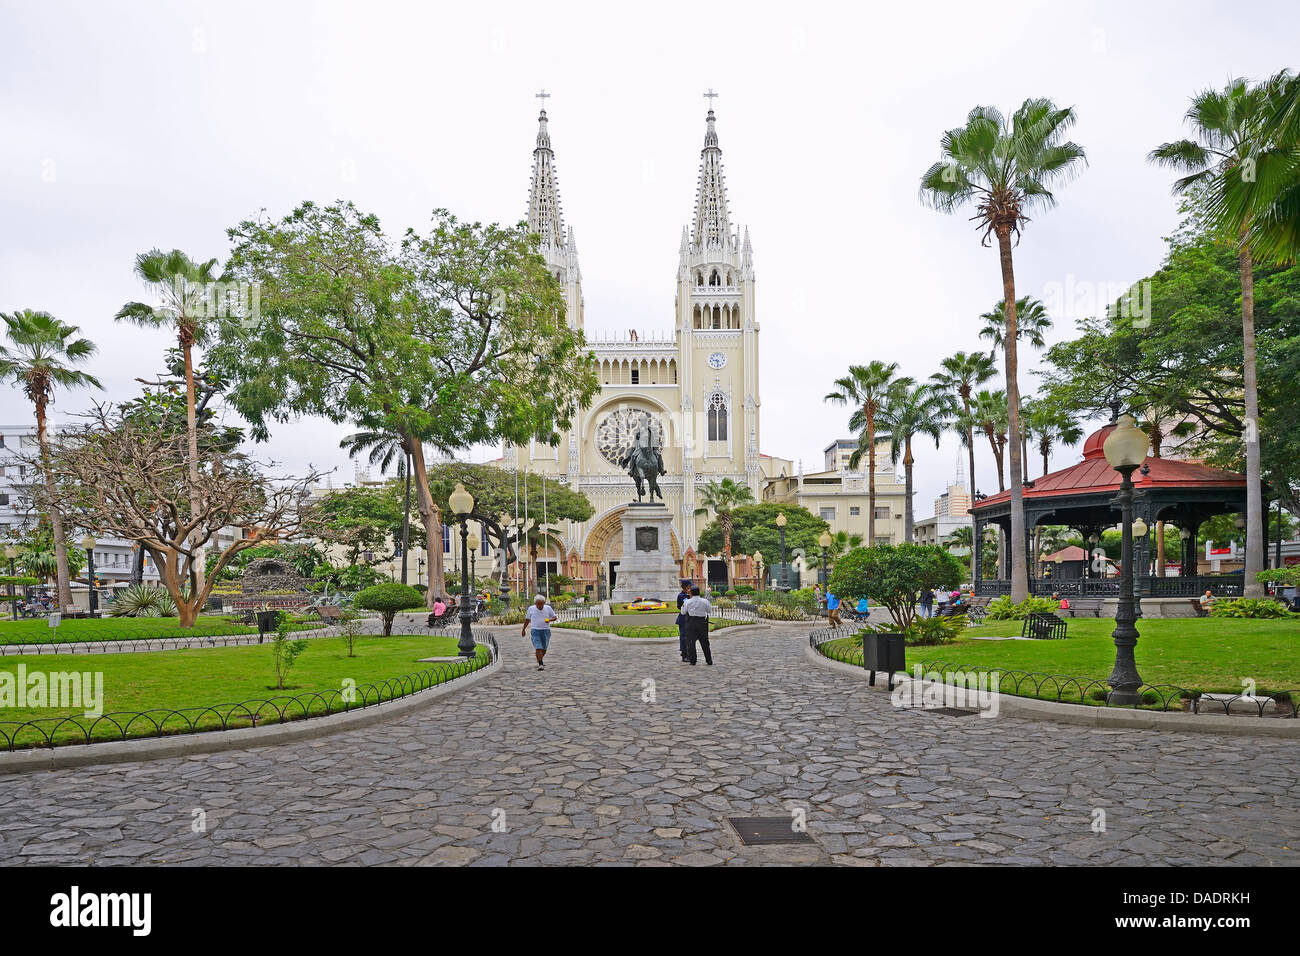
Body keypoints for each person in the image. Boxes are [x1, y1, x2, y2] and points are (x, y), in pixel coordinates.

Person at [521, 594, 557, 671]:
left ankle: (539, 658)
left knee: (544, 648)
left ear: (544, 603)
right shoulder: (531, 609)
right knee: (538, 647)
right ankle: (540, 663)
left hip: (546, 630)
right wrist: (523, 629)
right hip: (535, 630)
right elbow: (527, 620)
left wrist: (549, 620)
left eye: (541, 604)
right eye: (538, 604)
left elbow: (554, 617)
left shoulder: (548, 608)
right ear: (535, 603)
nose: (540, 605)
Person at [683, 585, 713, 665]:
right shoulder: (705, 601)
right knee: (705, 642)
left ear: (691, 593)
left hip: (691, 622)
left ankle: (693, 660)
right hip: (702, 623)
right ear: (699, 592)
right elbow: (709, 611)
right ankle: (708, 660)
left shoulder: (687, 602)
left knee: (691, 642)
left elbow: (683, 612)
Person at [676, 578, 693, 663]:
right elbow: (681, 607)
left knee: (690, 637)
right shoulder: (681, 596)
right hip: (683, 619)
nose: (690, 588)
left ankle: (689, 653)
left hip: (690, 618)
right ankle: (684, 654)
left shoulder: (690, 595)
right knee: (684, 637)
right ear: (685, 587)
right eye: (689, 586)